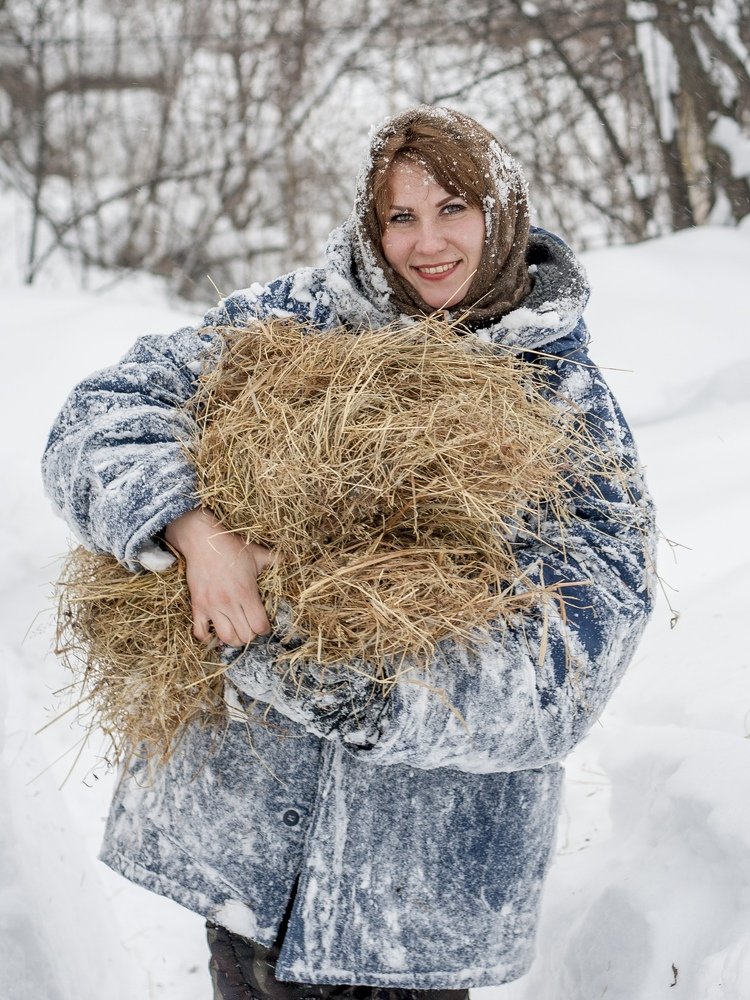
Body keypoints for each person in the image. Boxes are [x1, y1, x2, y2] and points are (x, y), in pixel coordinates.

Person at [42, 106, 655, 999]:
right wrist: (192, 530)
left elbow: (571, 657)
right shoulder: (299, 322)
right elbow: (96, 417)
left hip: (410, 905)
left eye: (453, 208)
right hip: (252, 864)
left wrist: (356, 684)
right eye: (399, 217)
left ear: (502, 212)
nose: (428, 242)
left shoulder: (560, 402)